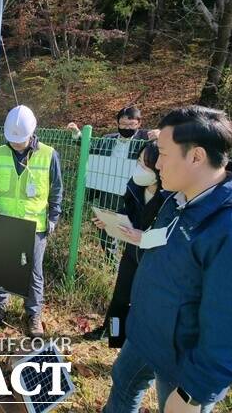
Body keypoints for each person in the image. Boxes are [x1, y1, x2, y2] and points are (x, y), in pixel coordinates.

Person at [103, 106, 232, 413]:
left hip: (183, 362)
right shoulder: (180, 197)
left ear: (196, 156)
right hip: (146, 332)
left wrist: (194, 393)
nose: (156, 164)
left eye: (162, 154)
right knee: (123, 386)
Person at [0, 105, 63, 337]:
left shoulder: (48, 154)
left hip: (34, 225)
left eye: (20, 140)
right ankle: (1, 303)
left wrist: (54, 217)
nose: (16, 143)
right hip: (5, 221)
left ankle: (34, 314)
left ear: (32, 133)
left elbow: (56, 189)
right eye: (12, 140)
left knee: (34, 273)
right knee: (2, 266)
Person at [83, 141, 167, 343]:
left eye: (145, 164)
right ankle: (112, 333)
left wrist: (146, 237)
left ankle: (139, 340)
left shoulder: (172, 196)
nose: (139, 168)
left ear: (160, 166)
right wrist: (110, 221)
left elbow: (173, 234)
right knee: (120, 297)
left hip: (157, 258)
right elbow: (127, 212)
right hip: (132, 252)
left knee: (146, 302)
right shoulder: (135, 186)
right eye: (138, 161)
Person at [67, 106, 159, 259]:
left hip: (135, 193)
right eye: (123, 124)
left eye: (131, 125)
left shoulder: (147, 138)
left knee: (133, 229)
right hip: (109, 190)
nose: (127, 128)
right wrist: (77, 134)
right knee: (106, 227)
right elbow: (91, 149)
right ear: (117, 123)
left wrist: (161, 135)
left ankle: (135, 259)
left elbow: (166, 146)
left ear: (139, 123)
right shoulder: (108, 139)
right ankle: (112, 262)